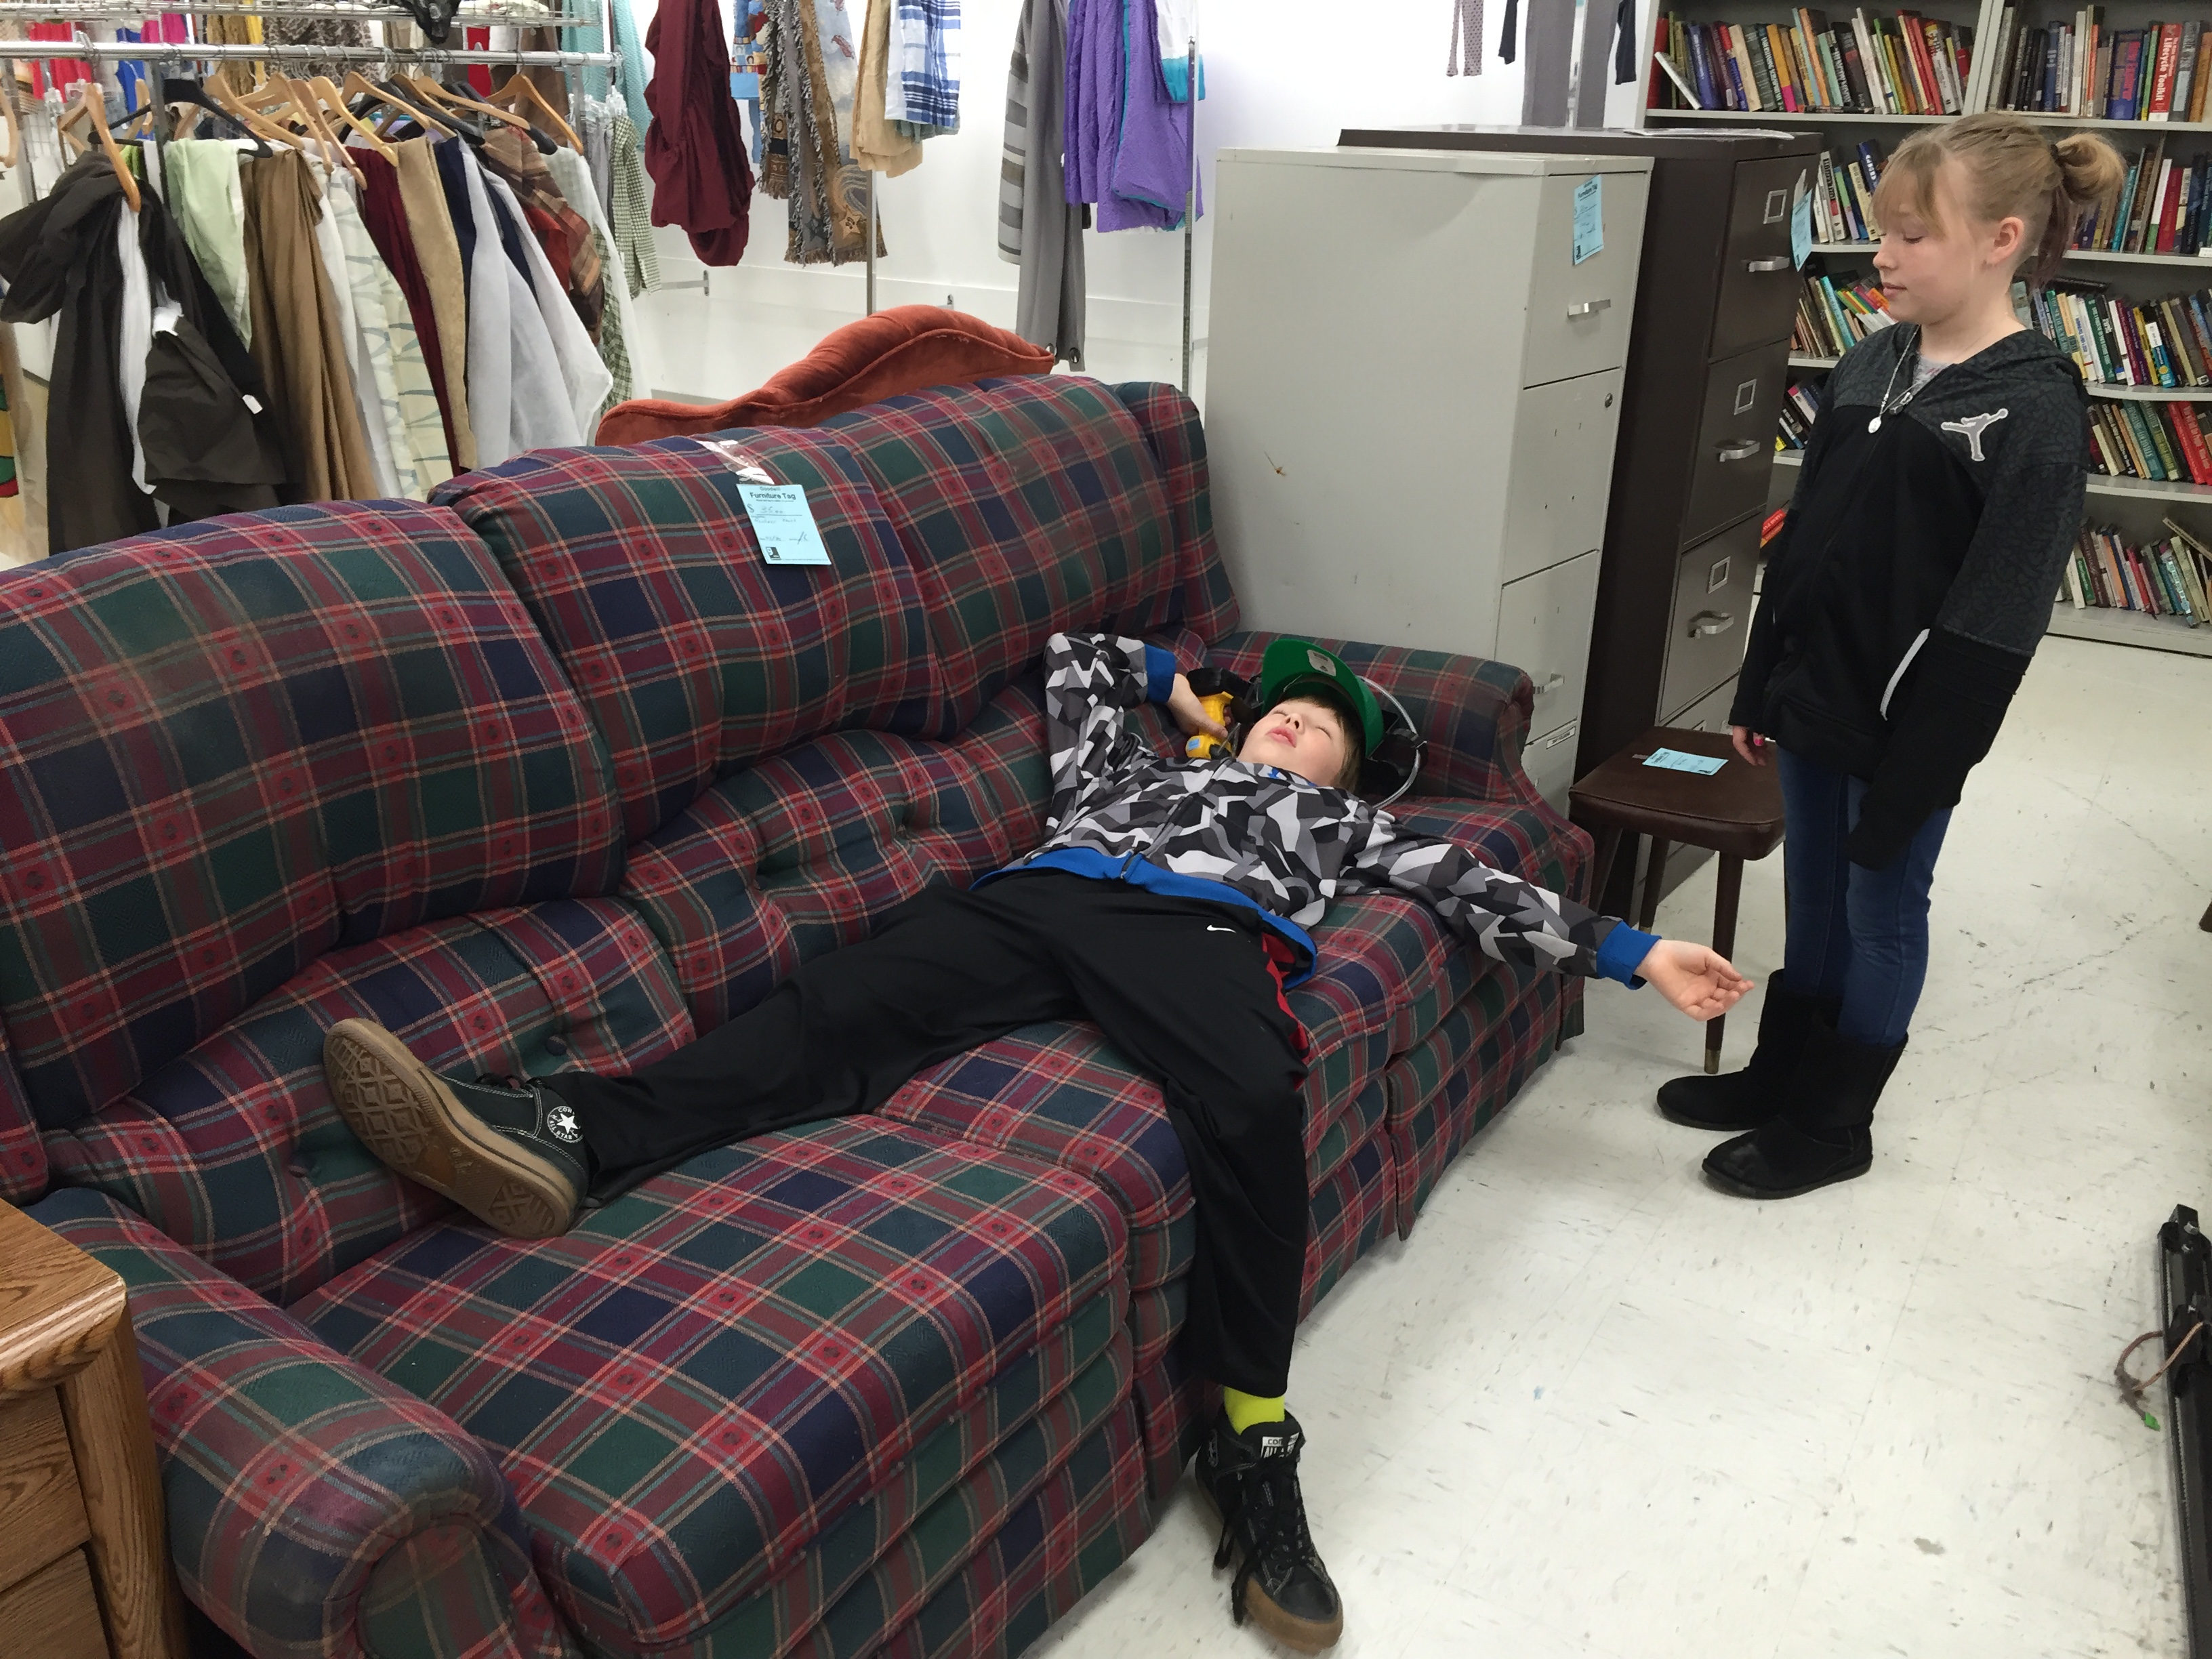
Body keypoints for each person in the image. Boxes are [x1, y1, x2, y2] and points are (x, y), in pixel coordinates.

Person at [324, 632, 1750, 1653]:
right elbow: (1075, 657)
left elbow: (1477, 884)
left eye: (1323, 730)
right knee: (836, 1004)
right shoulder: (1124, 770)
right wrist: (1177, 687)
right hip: (1043, 896)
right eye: (1283, 713)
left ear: (1351, 775)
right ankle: (577, 1125)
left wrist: (1634, 952)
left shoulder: (1336, 824)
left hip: (1206, 934)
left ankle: (1253, 1438)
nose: (1296, 729)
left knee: (1255, 1103)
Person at [1661, 113, 2124, 1202]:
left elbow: (1999, 620)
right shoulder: (1873, 358)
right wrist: (1759, 679)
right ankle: (1785, 1075)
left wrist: (1924, 768)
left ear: (2002, 240)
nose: (1884, 255)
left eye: (1914, 236)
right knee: (1813, 895)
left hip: (1908, 728)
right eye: (1884, 232)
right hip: (1813, 695)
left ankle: (1834, 1125)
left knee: (1880, 910)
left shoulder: (2037, 408)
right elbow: (1805, 538)